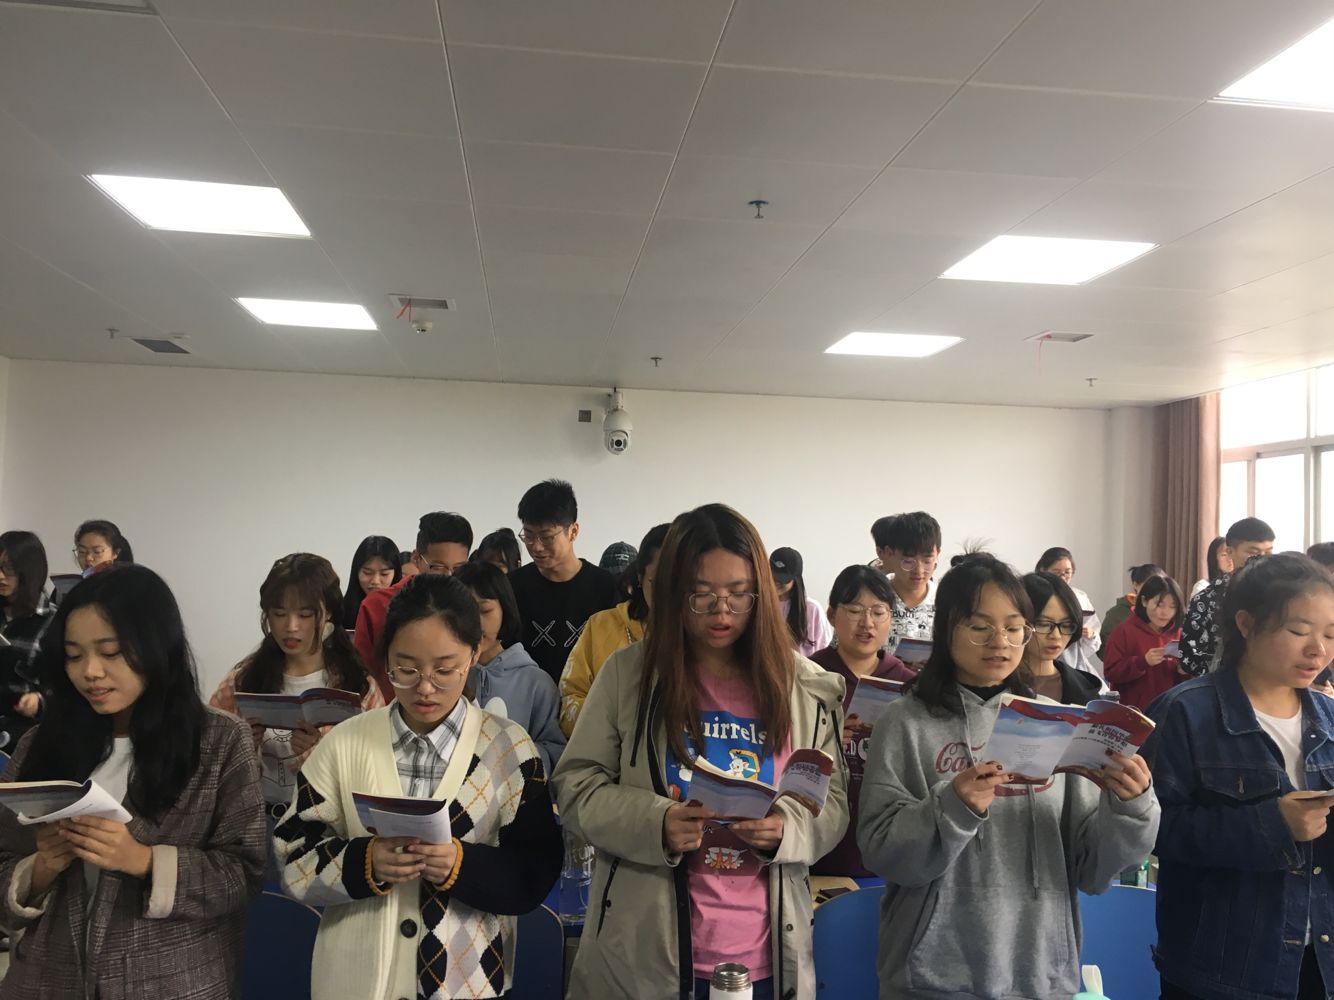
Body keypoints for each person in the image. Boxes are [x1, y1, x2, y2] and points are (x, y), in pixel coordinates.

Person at [552, 504, 849, 1000]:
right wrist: (656, 823)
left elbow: (832, 802)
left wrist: (786, 830)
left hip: (767, 955)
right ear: (672, 593)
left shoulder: (805, 686)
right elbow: (576, 787)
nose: (722, 611)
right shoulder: (629, 676)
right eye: (702, 594)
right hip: (644, 955)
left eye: (739, 593)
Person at [857, 552, 1158, 1000]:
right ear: (947, 629)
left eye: (1015, 628)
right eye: (980, 627)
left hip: (1039, 973)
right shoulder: (905, 723)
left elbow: (1092, 870)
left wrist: (1132, 807)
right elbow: (882, 851)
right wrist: (952, 805)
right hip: (931, 978)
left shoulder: (1059, 723)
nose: (999, 641)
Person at [275, 574, 562, 1000]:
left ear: (474, 653)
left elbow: (534, 872)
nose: (425, 687)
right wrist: (365, 862)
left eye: (445, 669)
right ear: (385, 657)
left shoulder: (509, 749)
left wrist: (460, 865)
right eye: (406, 669)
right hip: (355, 981)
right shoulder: (343, 745)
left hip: (466, 981)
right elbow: (293, 857)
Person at [0, 566, 265, 997]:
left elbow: (243, 874)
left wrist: (142, 860)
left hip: (172, 981)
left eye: (111, 652)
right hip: (49, 978)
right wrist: (41, 868)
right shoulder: (39, 745)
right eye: (74, 655)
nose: (91, 671)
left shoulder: (218, 741)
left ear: (156, 647)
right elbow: (4, 859)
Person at [1144, 552, 1334, 1000]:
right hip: (1224, 968)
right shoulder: (1185, 713)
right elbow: (1151, 831)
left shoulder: (1328, 718)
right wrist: (1272, 825)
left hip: (1319, 964)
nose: (1318, 650)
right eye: (1299, 631)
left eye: (1330, 634)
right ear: (1246, 624)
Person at [210, 554, 382, 874]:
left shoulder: (357, 687)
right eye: (279, 614)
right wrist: (242, 745)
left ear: (328, 613)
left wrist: (319, 755)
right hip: (254, 826)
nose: (291, 627)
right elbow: (206, 756)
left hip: (326, 833)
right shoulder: (243, 680)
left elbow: (377, 772)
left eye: (305, 614)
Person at [809, 564, 914, 877]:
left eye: (878, 612)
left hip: (888, 841)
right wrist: (824, 740)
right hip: (820, 839)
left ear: (891, 618)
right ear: (831, 615)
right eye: (855, 610)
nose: (867, 623)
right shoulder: (808, 677)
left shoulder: (908, 685)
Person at [452, 561, 565, 775]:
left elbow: (556, 753)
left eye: (485, 610)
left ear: (505, 609)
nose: (474, 622)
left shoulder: (535, 683)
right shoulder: (444, 676)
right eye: (461, 611)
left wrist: (510, 756)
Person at [559, 523, 670, 738]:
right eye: (659, 582)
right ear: (640, 578)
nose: (670, 591)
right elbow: (570, 698)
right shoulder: (600, 625)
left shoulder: (708, 635)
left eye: (681, 581)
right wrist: (615, 722)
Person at [509, 480, 618, 683]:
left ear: (573, 531)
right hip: (527, 697)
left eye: (546, 537)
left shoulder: (605, 587)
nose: (536, 546)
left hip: (586, 697)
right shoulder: (513, 586)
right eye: (528, 535)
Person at [355, 512, 473, 697]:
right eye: (438, 567)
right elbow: (362, 674)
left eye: (459, 568)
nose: (449, 576)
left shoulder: (468, 605)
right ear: (416, 558)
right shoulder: (377, 606)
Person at [1181, 518, 1276, 677]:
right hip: (1220, 684)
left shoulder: (1280, 596)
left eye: (1268, 553)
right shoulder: (1207, 599)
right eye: (1253, 553)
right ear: (1230, 552)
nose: (1262, 559)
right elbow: (1189, 656)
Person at [0, 532, 54, 749]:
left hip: (22, 735)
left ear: (29, 570)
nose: (0, 576)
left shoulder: (53, 621)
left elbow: (66, 688)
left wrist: (39, 701)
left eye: (9, 569)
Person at [1103, 574, 1187, 711]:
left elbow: (1186, 683)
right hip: (1135, 712)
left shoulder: (1178, 634)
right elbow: (1111, 673)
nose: (1166, 612)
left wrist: (1184, 670)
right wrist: (1142, 662)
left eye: (1173, 606)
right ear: (1144, 601)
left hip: (1169, 711)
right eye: (1159, 605)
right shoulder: (1124, 632)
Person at [1021, 571, 1103, 706]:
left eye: (1066, 625)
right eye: (1044, 624)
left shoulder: (1084, 689)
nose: (1056, 636)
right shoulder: (993, 684)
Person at [871, 512, 941, 666]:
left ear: (937, 554)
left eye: (927, 561)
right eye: (908, 561)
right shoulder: (871, 596)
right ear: (889, 554)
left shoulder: (945, 601)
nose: (919, 571)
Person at [1035, 546, 1103, 681]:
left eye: (1067, 572)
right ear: (1043, 570)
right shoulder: (1034, 594)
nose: (1062, 577)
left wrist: (1090, 635)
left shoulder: (1079, 597)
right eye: (1056, 572)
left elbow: (1093, 636)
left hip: (1073, 661)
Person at [769, 547, 831, 659]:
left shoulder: (812, 609)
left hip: (805, 669)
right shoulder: (760, 605)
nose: (775, 582)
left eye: (781, 579)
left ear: (796, 579)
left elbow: (824, 648)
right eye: (772, 576)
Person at [1099, 562, 1166, 659]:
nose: (1155, 590)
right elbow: (1104, 649)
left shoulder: (1168, 611)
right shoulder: (1117, 613)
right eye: (1150, 585)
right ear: (1135, 585)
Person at [342, 535, 401, 630]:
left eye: (384, 574)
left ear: (396, 573)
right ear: (356, 571)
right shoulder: (342, 611)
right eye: (367, 573)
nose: (375, 581)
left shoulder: (407, 612)